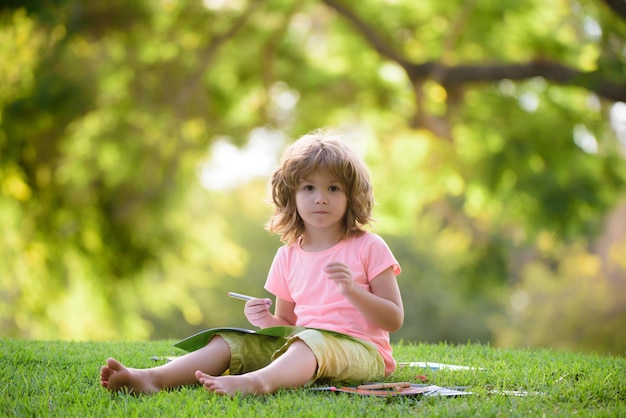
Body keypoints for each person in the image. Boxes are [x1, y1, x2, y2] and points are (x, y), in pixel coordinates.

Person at [100, 129, 403, 397]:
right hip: (303, 344)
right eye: (309, 188)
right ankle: (152, 378)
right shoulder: (287, 255)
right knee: (229, 340)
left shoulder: (369, 246)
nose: (320, 198)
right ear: (291, 196)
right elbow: (287, 326)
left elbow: (393, 319)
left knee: (309, 342)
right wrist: (265, 321)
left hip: (363, 351)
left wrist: (351, 291)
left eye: (333, 188)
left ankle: (256, 383)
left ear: (351, 196)